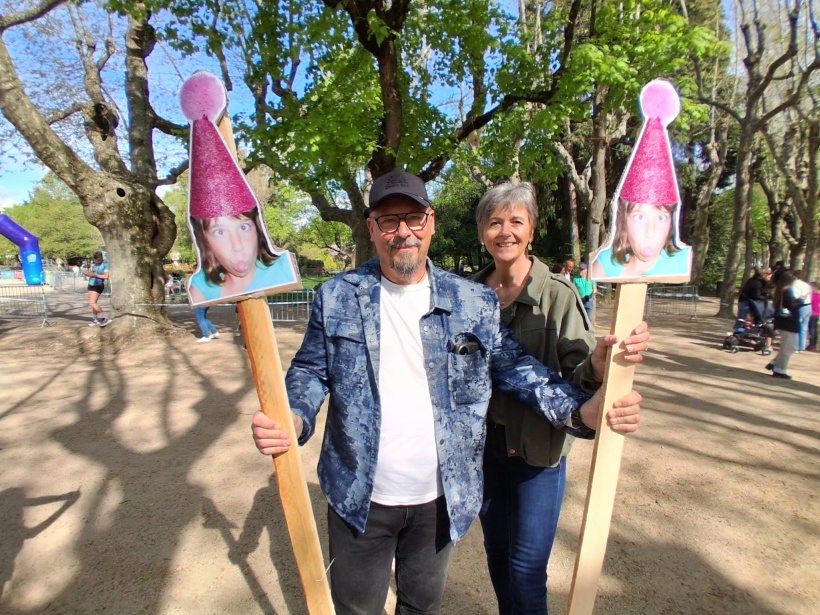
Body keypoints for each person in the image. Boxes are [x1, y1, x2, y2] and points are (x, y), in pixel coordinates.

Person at [250, 171, 643, 615]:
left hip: (439, 500)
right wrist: (294, 417)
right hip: (359, 497)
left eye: (414, 218)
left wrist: (582, 413)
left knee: (421, 608)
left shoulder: (473, 302)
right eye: (388, 220)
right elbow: (309, 371)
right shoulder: (337, 297)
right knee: (357, 609)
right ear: (371, 229)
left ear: (431, 222)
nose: (403, 232)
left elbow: (517, 370)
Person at [472, 182, 649, 615]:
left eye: (516, 221)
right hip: (482, 454)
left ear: (531, 231)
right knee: (497, 560)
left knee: (527, 569)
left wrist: (603, 365)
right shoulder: (469, 295)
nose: (505, 231)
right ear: (481, 234)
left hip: (539, 455)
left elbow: (581, 376)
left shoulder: (558, 294)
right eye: (494, 222)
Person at [188, 207, 296, 303]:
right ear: (205, 242)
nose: (237, 246)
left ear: (258, 230)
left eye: (244, 227)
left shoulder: (286, 268)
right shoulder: (201, 286)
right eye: (219, 232)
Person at [591, 198, 692, 279]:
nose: (650, 233)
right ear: (623, 222)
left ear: (671, 223)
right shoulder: (608, 260)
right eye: (639, 217)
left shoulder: (684, 261)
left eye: (662, 217)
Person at [766, 271, 800, 379]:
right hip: (788, 323)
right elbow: (789, 305)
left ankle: (775, 363)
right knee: (788, 348)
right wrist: (799, 302)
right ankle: (780, 369)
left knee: (787, 347)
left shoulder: (781, 290)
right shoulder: (787, 291)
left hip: (783, 322)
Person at [84, 251, 110, 327]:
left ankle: (104, 317)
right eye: (96, 260)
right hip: (91, 283)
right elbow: (92, 272)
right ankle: (95, 319)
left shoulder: (105, 264)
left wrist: (94, 275)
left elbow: (106, 276)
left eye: (99, 259)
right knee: (93, 303)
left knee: (92, 303)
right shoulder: (94, 264)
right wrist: (88, 273)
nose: (97, 261)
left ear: (101, 258)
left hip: (98, 284)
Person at [790, 272, 812, 351]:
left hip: (800, 306)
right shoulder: (806, 285)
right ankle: (801, 346)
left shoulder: (794, 285)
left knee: (796, 326)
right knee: (804, 327)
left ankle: (795, 346)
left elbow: (795, 296)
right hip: (808, 306)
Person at [808, 282, 819, 352]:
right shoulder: (818, 296)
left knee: (811, 330)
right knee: (815, 330)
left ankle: (811, 345)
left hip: (812, 314)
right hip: (817, 314)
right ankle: (813, 345)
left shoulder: (812, 296)